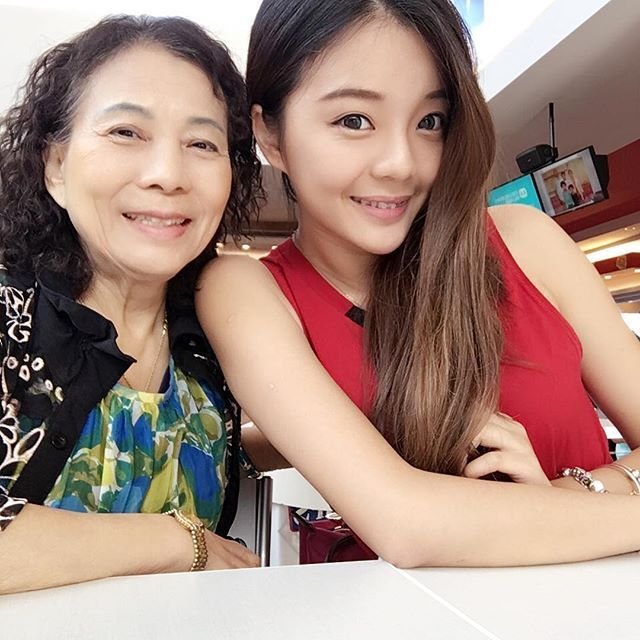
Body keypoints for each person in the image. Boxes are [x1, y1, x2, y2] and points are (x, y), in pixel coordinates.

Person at [197, 0, 640, 568]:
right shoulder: (246, 290)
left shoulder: (525, 241)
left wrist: (573, 492)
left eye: (429, 121)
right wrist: (557, 513)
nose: (401, 164)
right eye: (354, 120)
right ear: (270, 134)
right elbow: (408, 525)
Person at [0, 14, 262, 594]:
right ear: (56, 165)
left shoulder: (208, 339)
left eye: (201, 143)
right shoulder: (9, 315)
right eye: (126, 132)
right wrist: (176, 542)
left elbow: (169, 441)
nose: (167, 175)